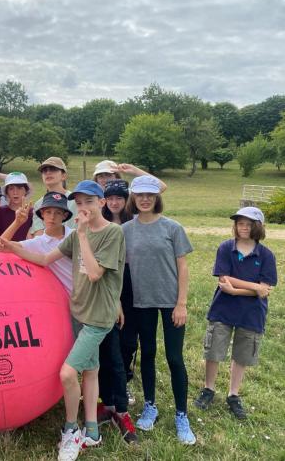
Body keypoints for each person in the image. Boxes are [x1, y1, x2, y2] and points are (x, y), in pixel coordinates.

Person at [0, 180, 125, 461]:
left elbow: (93, 273)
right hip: (77, 311)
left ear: (101, 203)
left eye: (89, 202)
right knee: (90, 370)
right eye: (79, 203)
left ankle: (70, 431)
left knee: (68, 373)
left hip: (98, 317)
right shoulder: (74, 235)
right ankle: (92, 430)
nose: (84, 208)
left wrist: (81, 235)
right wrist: (12, 247)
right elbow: (44, 259)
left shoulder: (112, 233)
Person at [123, 175, 195, 444]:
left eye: (149, 195)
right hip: (142, 302)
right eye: (140, 195)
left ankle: (181, 414)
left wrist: (181, 303)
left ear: (156, 198)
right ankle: (150, 405)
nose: (144, 199)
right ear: (134, 198)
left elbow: (183, 267)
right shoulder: (126, 231)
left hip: (170, 303)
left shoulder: (172, 228)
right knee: (149, 353)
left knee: (175, 358)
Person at [194, 207, 277, 420]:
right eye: (240, 223)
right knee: (214, 350)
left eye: (249, 224)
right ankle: (208, 388)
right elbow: (224, 279)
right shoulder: (226, 248)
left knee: (242, 354)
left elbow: (265, 290)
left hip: (251, 314)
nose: (244, 228)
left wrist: (237, 290)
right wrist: (254, 287)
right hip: (223, 309)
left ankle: (233, 394)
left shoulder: (266, 255)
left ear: (258, 227)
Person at [96, 179, 138, 444]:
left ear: (126, 200)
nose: (114, 202)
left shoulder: (132, 224)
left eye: (119, 198)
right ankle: (106, 400)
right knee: (103, 348)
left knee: (124, 346)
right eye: (110, 197)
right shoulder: (98, 223)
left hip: (130, 287)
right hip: (107, 287)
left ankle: (120, 404)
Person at [30, 157, 77, 235]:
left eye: (53, 169)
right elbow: (39, 233)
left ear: (64, 176)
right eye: (44, 170)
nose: (48, 172)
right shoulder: (38, 204)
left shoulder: (75, 200)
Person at [0, 172, 33, 242]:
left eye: (20, 188)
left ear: (26, 191)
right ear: (7, 192)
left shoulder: (32, 212)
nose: (15, 192)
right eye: (11, 189)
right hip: (2, 249)